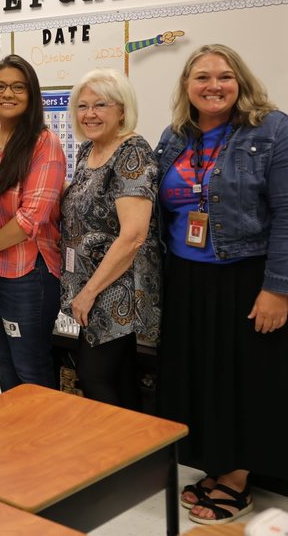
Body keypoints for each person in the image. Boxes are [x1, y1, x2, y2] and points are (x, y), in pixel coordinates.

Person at [156, 44, 288, 526]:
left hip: (247, 275)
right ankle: (216, 465)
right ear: (187, 87)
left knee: (244, 380)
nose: (214, 85)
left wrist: (278, 288)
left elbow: (287, 215)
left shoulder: (272, 129)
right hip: (187, 276)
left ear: (241, 82)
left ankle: (238, 479)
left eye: (225, 76)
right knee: (202, 376)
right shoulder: (174, 138)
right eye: (202, 77)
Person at [59, 68, 161, 410]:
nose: (90, 114)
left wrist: (88, 293)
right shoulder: (88, 151)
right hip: (93, 282)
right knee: (119, 377)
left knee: (95, 375)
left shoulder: (132, 151)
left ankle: (120, 455)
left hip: (119, 287)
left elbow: (133, 236)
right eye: (83, 106)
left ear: (121, 109)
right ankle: (138, 458)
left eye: (100, 105)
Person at [0, 54, 66, 392]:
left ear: (31, 94)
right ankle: (15, 442)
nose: (7, 93)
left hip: (28, 275)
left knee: (31, 369)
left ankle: (42, 445)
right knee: (5, 365)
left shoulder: (45, 143)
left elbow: (30, 219)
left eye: (17, 87)